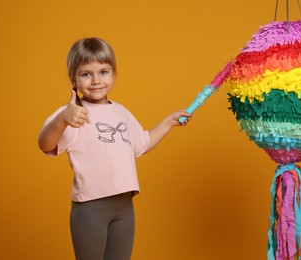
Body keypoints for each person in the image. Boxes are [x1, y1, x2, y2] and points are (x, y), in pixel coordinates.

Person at [38, 37, 191, 260]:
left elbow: (143, 143)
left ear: (114, 74)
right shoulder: (73, 112)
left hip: (125, 208)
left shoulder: (121, 112)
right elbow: (45, 144)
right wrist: (63, 119)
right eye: (86, 74)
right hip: (91, 208)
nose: (96, 80)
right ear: (74, 78)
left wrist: (168, 122)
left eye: (103, 72)